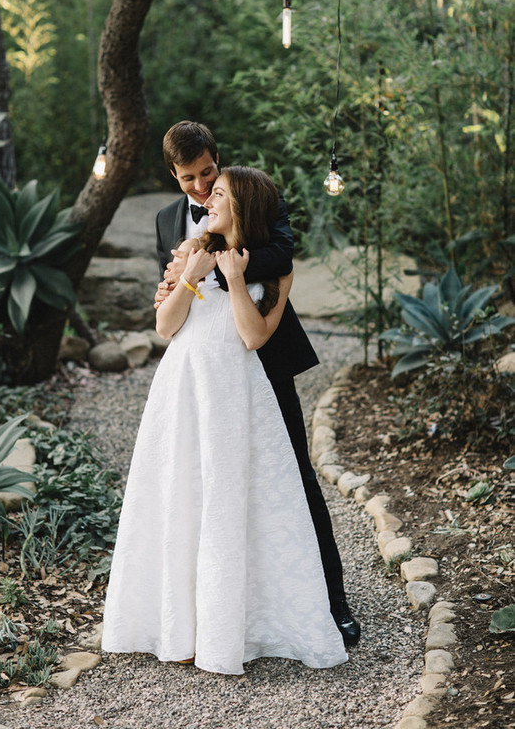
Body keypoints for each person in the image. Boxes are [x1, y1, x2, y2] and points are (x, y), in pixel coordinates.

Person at [102, 166, 348, 675]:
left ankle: (253, 618)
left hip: (239, 393)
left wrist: (235, 278)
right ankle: (183, 624)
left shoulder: (274, 267)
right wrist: (189, 279)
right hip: (184, 388)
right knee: (183, 494)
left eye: (215, 190)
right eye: (200, 187)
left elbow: (254, 336)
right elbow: (165, 326)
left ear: (242, 205)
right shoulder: (191, 249)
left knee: (246, 498)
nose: (204, 196)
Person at [154, 121, 360, 647]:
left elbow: (280, 255)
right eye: (189, 180)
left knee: (294, 480)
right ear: (173, 175)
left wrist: (207, 266)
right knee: (208, 486)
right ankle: (226, 610)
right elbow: (173, 296)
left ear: (217, 159)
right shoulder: (164, 220)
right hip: (201, 374)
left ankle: (331, 602)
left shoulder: (251, 195)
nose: (201, 188)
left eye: (207, 174)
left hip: (263, 361)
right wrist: (174, 283)